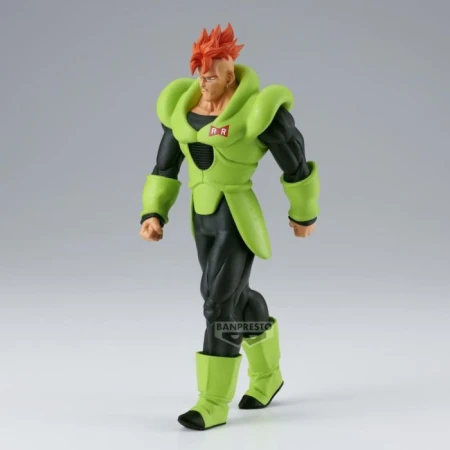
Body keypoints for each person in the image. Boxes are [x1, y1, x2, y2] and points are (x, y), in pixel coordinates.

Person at [139, 23, 320, 430]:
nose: (204, 82)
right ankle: (268, 375)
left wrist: (303, 212)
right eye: (199, 73)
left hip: (236, 216)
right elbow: (165, 167)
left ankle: (212, 401)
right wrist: (153, 212)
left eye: (212, 75)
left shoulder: (258, 111)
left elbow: (295, 160)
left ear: (229, 75)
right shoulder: (181, 109)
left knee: (217, 305)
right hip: (201, 218)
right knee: (236, 298)